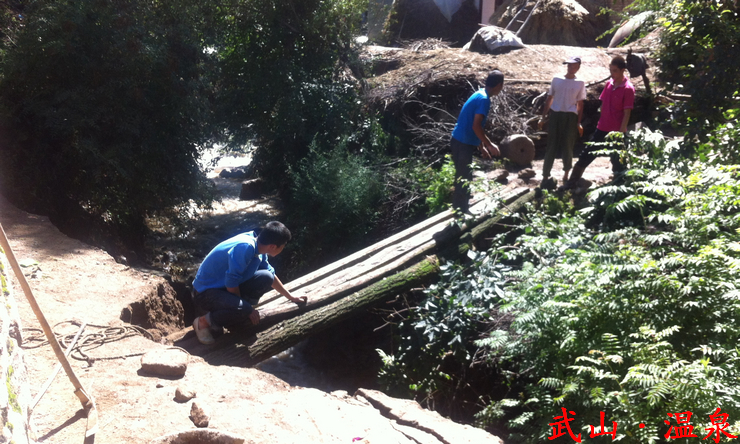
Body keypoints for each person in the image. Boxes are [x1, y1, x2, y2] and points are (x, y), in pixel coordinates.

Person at [191, 221, 307, 345]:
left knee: (266, 276)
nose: (283, 248)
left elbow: (271, 275)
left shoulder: (259, 247)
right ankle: (203, 322)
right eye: (283, 246)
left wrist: (291, 297)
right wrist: (246, 309)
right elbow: (231, 282)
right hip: (204, 293)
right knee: (244, 309)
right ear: (273, 246)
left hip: (222, 288)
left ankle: (235, 316)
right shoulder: (245, 247)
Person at [563, 55, 635, 191]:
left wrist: (620, 134)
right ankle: (571, 183)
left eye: (615, 71)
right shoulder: (609, 84)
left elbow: (627, 113)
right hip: (602, 128)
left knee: (617, 162)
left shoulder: (628, 89)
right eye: (610, 70)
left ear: (622, 70)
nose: (612, 73)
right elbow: (602, 104)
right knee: (586, 154)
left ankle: (618, 189)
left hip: (616, 132)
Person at [449, 70, 505, 213]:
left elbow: (472, 125)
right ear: (499, 85)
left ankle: (459, 208)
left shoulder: (479, 93)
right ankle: (461, 212)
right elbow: (476, 126)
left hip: (458, 140)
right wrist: (489, 144)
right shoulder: (484, 100)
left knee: (463, 176)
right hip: (463, 143)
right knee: (464, 177)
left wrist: (481, 147)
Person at [538, 56, 586, 190]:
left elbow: (580, 104)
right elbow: (550, 98)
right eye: (569, 65)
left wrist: (578, 123)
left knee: (568, 145)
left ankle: (566, 174)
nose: (571, 68)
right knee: (551, 145)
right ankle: (545, 175)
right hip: (556, 114)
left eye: (574, 65)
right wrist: (543, 117)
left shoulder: (580, 83)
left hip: (570, 116)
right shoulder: (557, 80)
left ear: (578, 67)